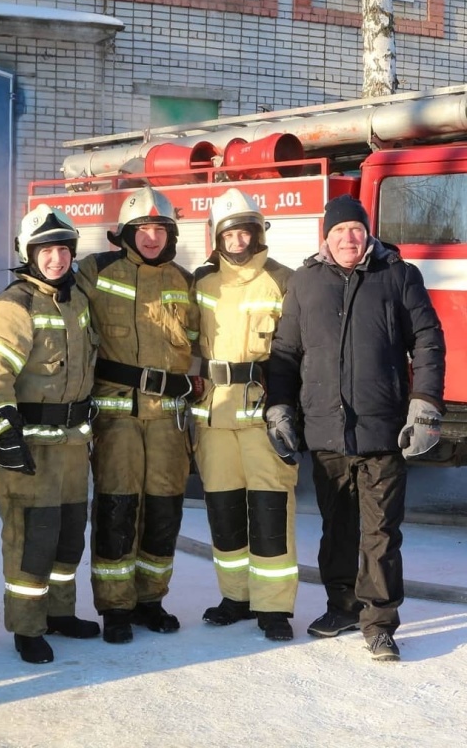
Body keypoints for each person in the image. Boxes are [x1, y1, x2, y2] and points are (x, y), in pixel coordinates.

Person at [266, 194, 446, 662]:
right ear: (325, 237)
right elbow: (285, 353)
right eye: (339, 231)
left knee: (381, 532)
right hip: (325, 430)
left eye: (356, 229)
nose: (349, 237)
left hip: (383, 429)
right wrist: (280, 407)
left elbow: (427, 340)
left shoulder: (399, 276)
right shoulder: (305, 283)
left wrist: (424, 405)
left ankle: (380, 622)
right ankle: (341, 606)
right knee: (336, 527)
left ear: (368, 234)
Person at [0, 204, 100, 664]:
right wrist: (5, 436)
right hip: (30, 449)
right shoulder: (14, 305)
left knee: (69, 536)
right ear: (28, 254)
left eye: (63, 250)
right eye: (46, 251)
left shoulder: (77, 302)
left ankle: (60, 614)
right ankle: (27, 628)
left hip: (71, 445)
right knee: (31, 541)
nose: (56, 260)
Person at [77, 186, 199, 644]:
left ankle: (151, 599)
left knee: (164, 512)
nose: (151, 237)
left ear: (170, 234)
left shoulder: (184, 281)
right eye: (142, 229)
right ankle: (115, 607)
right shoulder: (95, 271)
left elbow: (200, 344)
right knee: (116, 510)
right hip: (117, 417)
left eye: (159, 229)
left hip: (168, 420)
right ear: (126, 233)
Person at [191, 188, 299, 641]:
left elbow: (296, 351)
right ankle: (235, 596)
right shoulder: (202, 282)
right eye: (229, 233)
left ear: (257, 232)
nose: (238, 241)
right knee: (224, 508)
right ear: (217, 237)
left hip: (261, 412)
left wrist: (287, 407)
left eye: (245, 231)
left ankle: (273, 607)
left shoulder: (283, 280)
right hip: (213, 414)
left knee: (271, 509)